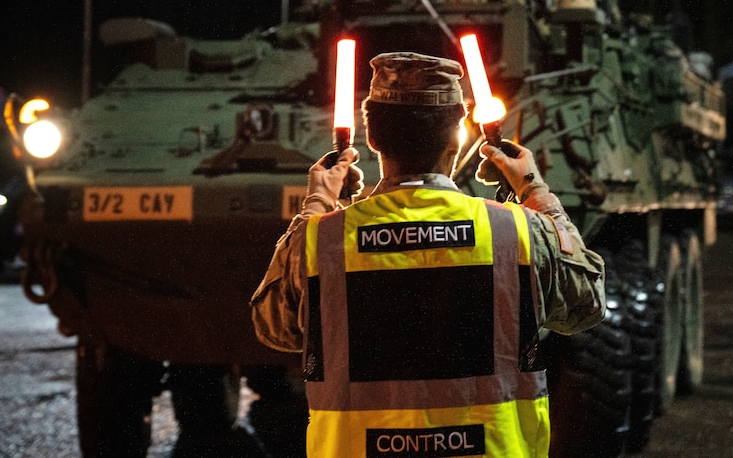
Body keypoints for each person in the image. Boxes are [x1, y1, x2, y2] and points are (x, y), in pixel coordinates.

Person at [251, 51, 606, 458]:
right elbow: (586, 306)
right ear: (457, 136)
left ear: (372, 138)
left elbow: (273, 328)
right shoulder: (516, 230)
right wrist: (534, 192)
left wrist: (317, 205)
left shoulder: (322, 240)